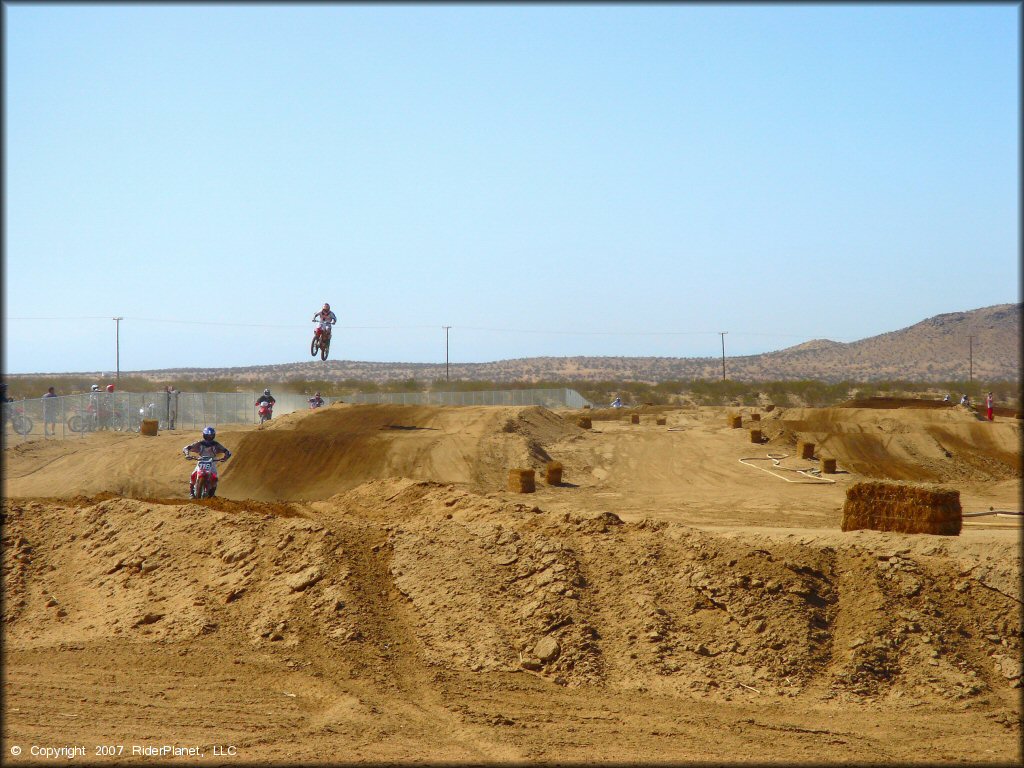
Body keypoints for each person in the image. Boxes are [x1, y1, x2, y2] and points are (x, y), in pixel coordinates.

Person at [182, 426, 232, 498]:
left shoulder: (216, 444)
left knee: (215, 478)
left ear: (213, 436)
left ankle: (212, 494)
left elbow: (227, 451)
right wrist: (187, 454)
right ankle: (191, 493)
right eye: (207, 436)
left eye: (211, 436)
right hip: (201, 461)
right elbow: (187, 448)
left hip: (212, 462)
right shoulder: (199, 443)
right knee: (193, 475)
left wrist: (225, 457)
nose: (209, 438)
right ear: (204, 435)